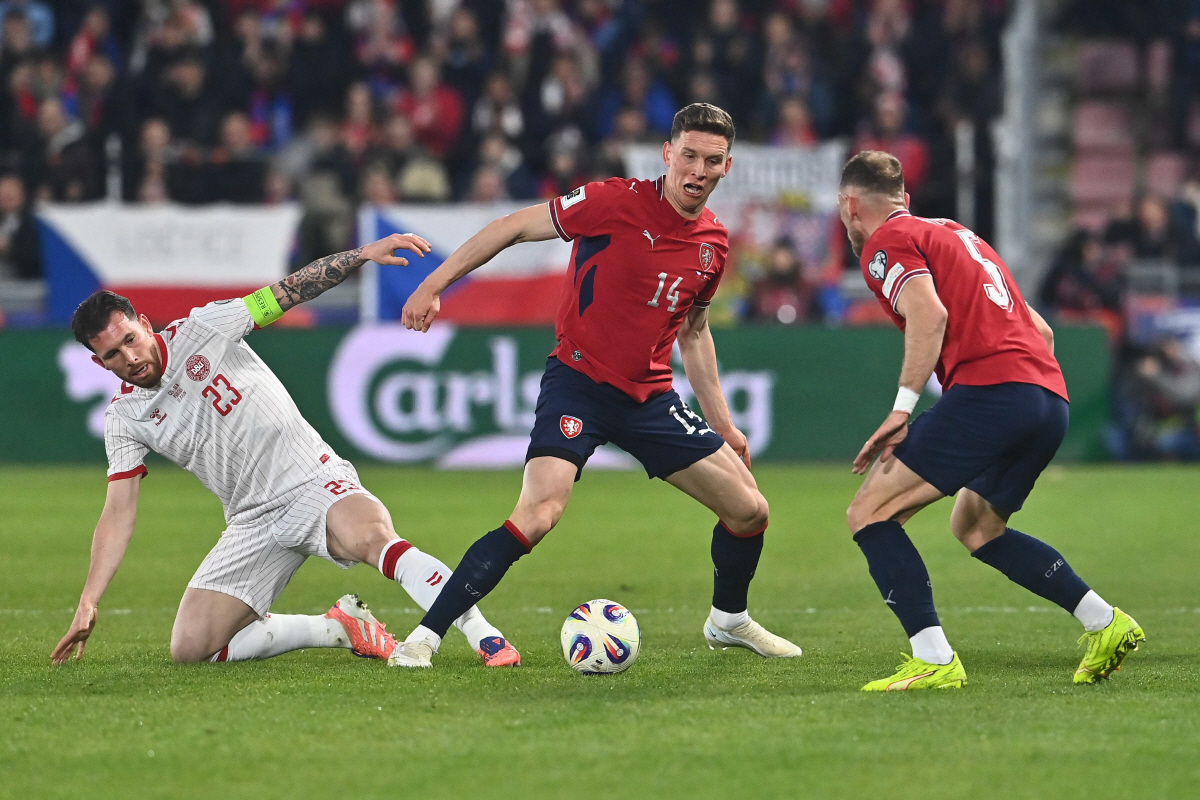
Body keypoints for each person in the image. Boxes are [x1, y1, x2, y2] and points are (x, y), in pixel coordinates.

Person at [389, 103, 802, 668]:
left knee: (750, 511)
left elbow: (695, 331)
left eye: (712, 160)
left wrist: (724, 424)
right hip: (579, 383)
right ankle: (425, 638)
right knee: (538, 513)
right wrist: (433, 283)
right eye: (689, 156)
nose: (698, 170)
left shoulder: (713, 244)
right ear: (667, 154)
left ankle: (728, 622)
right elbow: (512, 227)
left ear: (727, 167)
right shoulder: (615, 201)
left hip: (650, 397)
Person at [52, 234, 520, 668]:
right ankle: (336, 628)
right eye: (113, 355)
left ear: (144, 324)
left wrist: (359, 256)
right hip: (251, 520)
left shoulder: (206, 328)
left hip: (311, 481)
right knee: (190, 649)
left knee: (374, 539)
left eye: (130, 339)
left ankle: (484, 635)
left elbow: (289, 290)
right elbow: (118, 513)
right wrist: (89, 600)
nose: (129, 358)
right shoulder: (125, 417)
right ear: (98, 362)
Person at [838, 151, 1144, 691]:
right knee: (977, 526)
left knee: (869, 512)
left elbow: (929, 316)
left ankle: (933, 658)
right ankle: (1105, 621)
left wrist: (903, 408)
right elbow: (1041, 332)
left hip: (993, 391)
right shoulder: (959, 235)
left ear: (850, 206)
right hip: (1047, 397)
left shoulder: (885, 242)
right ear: (905, 200)